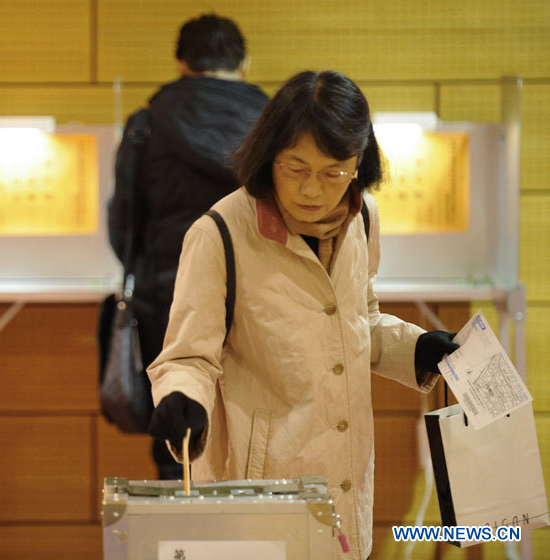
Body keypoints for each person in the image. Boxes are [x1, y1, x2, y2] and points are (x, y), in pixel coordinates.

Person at [146, 70, 459, 559]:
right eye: (296, 168)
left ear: (358, 164)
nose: (314, 189)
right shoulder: (220, 234)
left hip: (347, 483)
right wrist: (181, 399)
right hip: (261, 490)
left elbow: (359, 321)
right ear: (270, 156)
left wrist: (416, 347)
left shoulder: (364, 218)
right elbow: (186, 358)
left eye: (334, 171)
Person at [107, 13, 268, 480]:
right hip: (260, 300)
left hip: (169, 300)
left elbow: (124, 224)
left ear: (181, 62)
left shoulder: (146, 125)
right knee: (259, 434)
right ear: (244, 63)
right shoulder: (274, 124)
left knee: (180, 432)